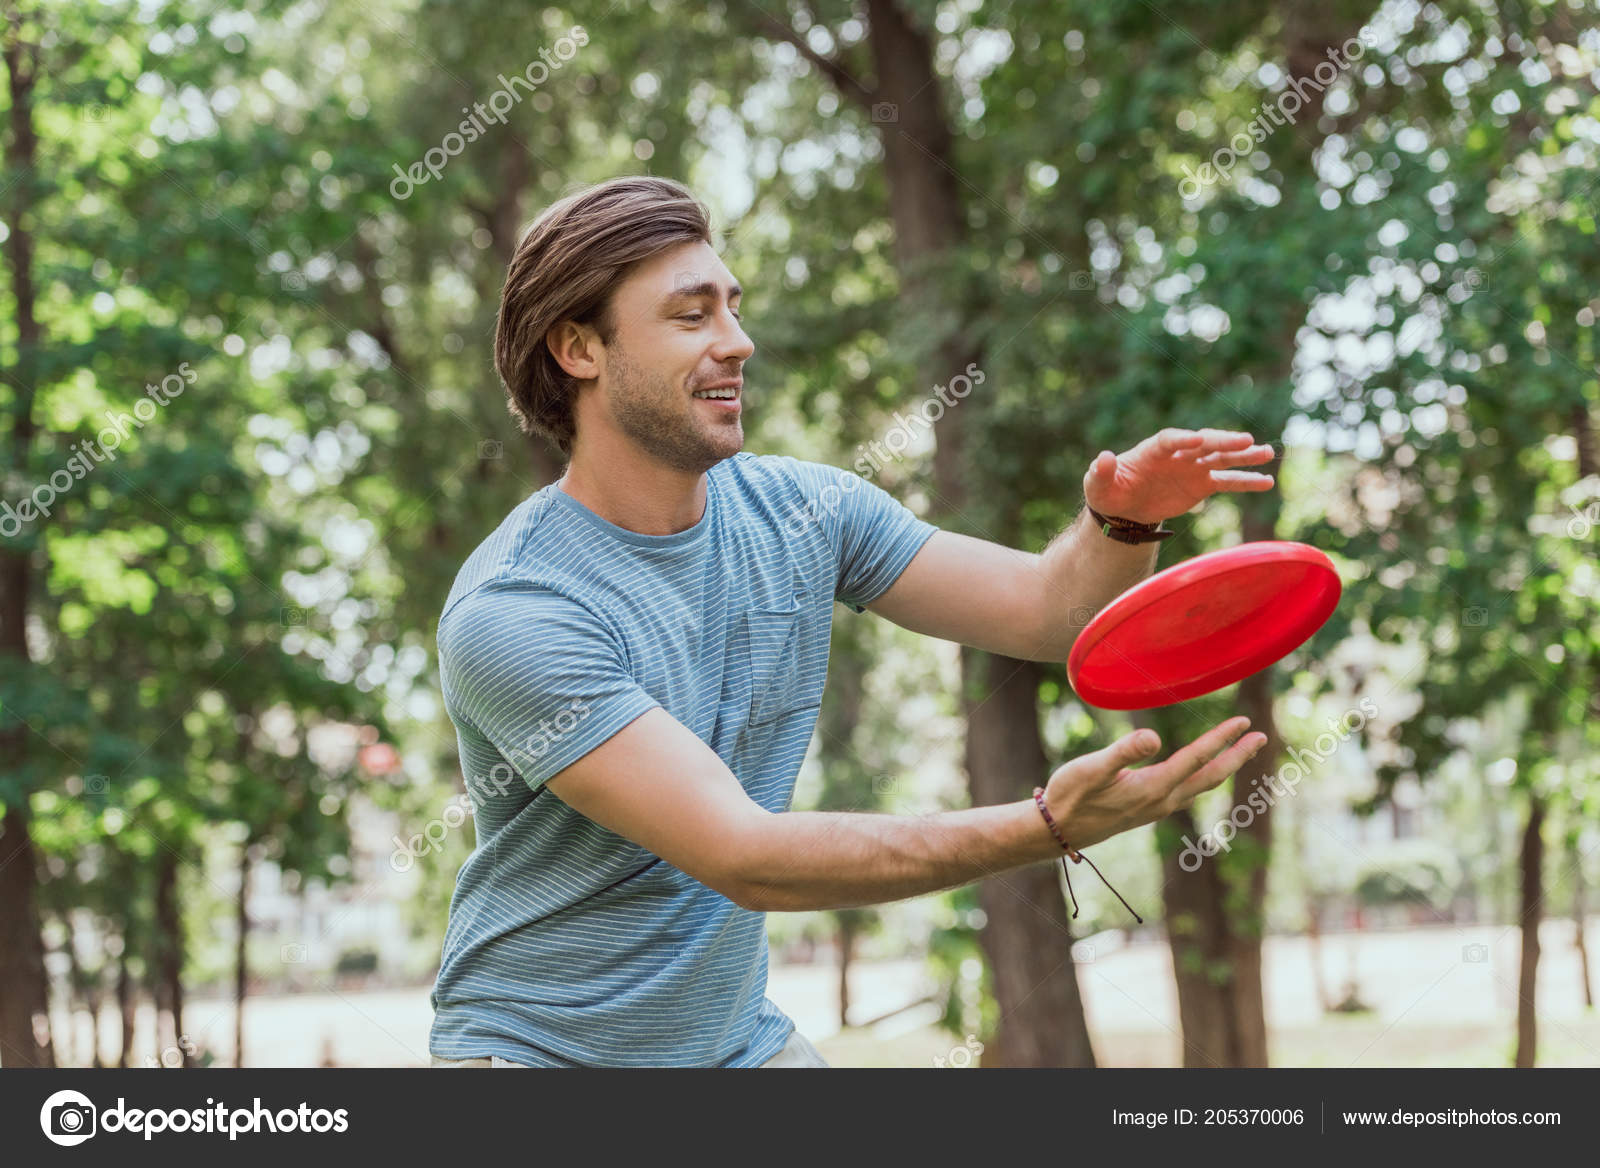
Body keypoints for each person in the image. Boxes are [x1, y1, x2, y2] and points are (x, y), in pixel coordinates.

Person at [426, 176, 1276, 1068]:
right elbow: (745, 855)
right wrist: (1043, 826)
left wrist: (1123, 523)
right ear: (579, 349)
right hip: (544, 1057)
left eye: (733, 308)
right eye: (692, 315)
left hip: (733, 1046)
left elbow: (1049, 611)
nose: (738, 341)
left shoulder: (803, 511)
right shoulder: (518, 609)